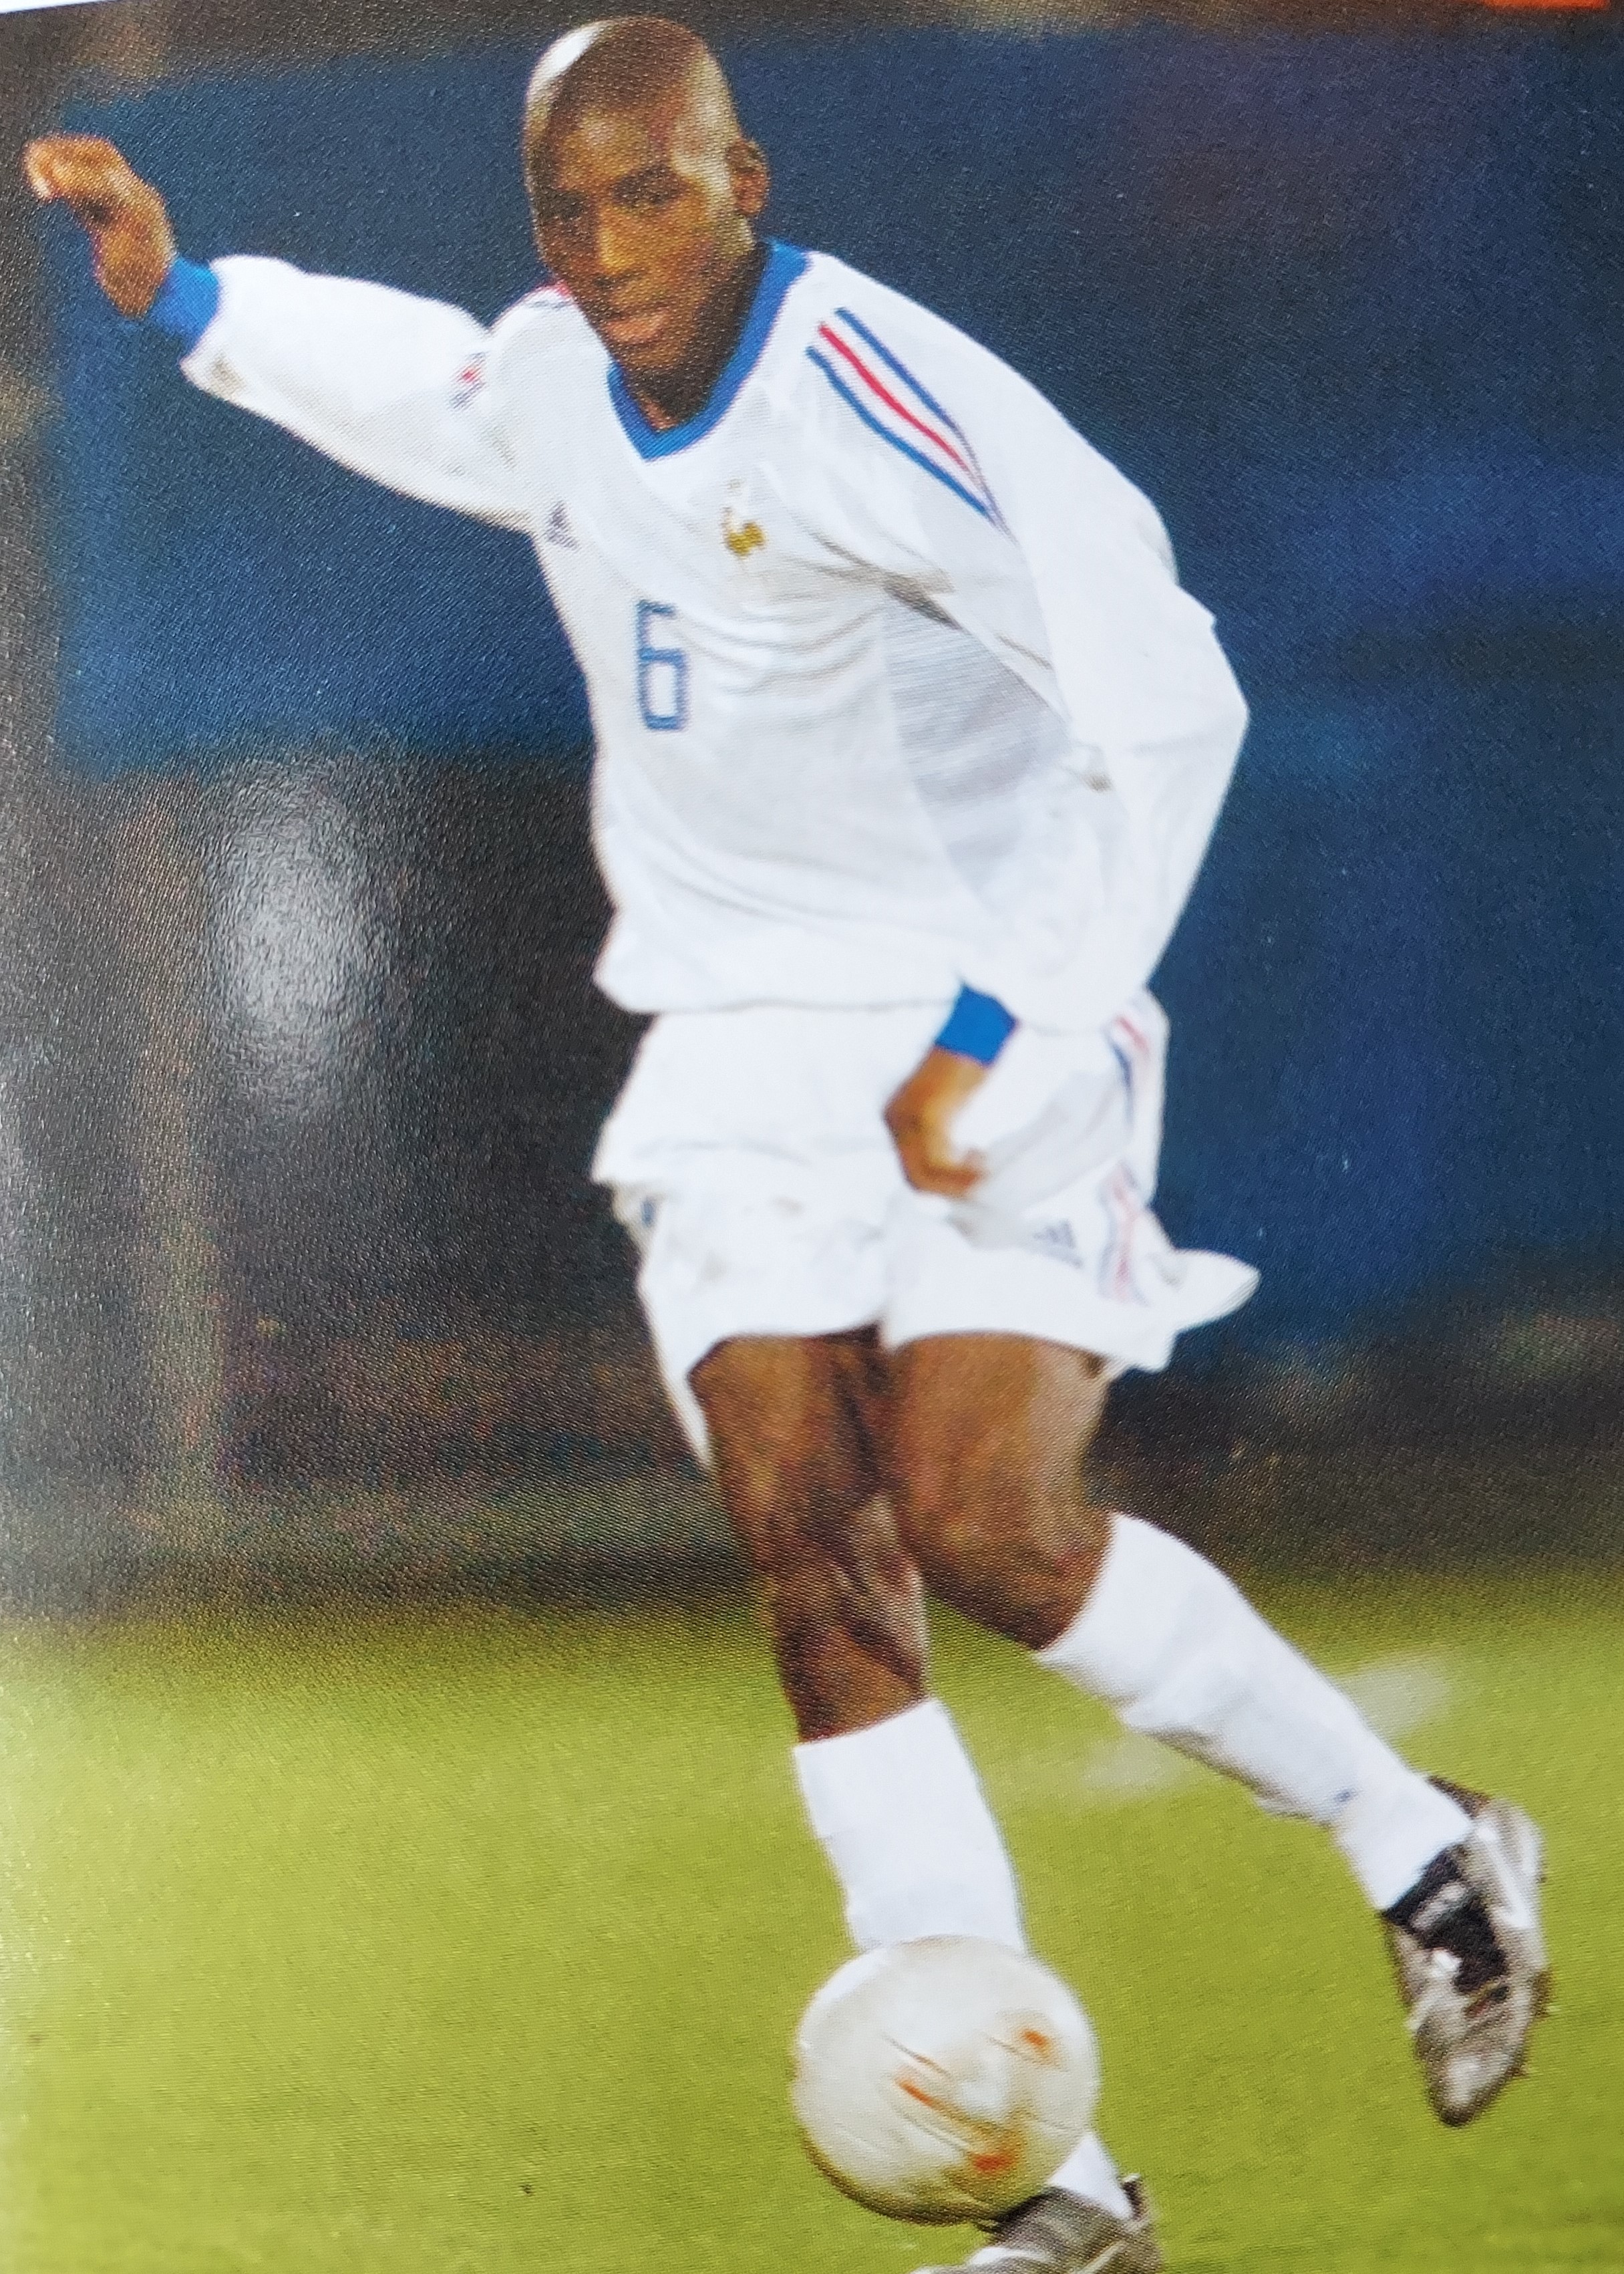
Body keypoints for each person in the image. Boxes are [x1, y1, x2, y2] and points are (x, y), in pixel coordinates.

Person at [25, 24, 1547, 2269]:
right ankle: (1059, 2195)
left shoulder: (886, 396)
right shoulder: (563, 372)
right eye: (566, 208)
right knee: (817, 1567)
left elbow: (1169, 689)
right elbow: (442, 389)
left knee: (989, 1523)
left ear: (748, 180)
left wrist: (1002, 1026)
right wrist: (187, 296)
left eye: (651, 191)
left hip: (980, 1008)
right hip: (731, 1048)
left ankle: (1423, 1849)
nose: (607, 247)